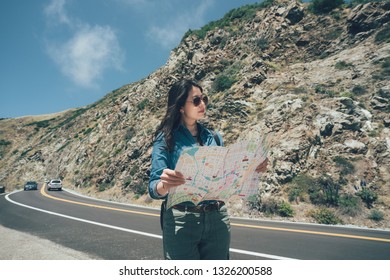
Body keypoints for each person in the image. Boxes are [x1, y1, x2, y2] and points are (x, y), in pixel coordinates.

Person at [148, 79, 230, 260]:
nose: (202, 104)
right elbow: (154, 187)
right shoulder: (165, 139)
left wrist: (251, 169)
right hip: (181, 219)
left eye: (204, 99)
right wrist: (165, 185)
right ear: (180, 107)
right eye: (196, 100)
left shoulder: (215, 138)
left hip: (217, 217)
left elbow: (226, 178)